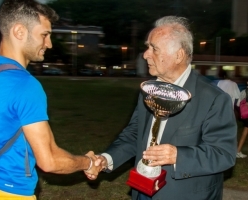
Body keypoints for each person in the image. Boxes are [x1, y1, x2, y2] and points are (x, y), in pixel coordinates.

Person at [86, 16, 237, 200]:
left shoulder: (213, 98)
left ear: (179, 56)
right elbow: (135, 135)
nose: (145, 54)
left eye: (154, 48)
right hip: (142, 190)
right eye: (147, 47)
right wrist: (107, 159)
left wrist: (178, 156)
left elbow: (223, 154)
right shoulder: (149, 91)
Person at [0, 0, 100, 199]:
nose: (49, 44)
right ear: (19, 32)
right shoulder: (25, 85)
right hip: (10, 193)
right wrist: (88, 162)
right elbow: (49, 160)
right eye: (44, 35)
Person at [236, 83, 248, 158]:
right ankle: (238, 151)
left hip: (245, 115)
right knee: (245, 131)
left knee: (245, 131)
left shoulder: (245, 90)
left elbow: (238, 104)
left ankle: (238, 150)